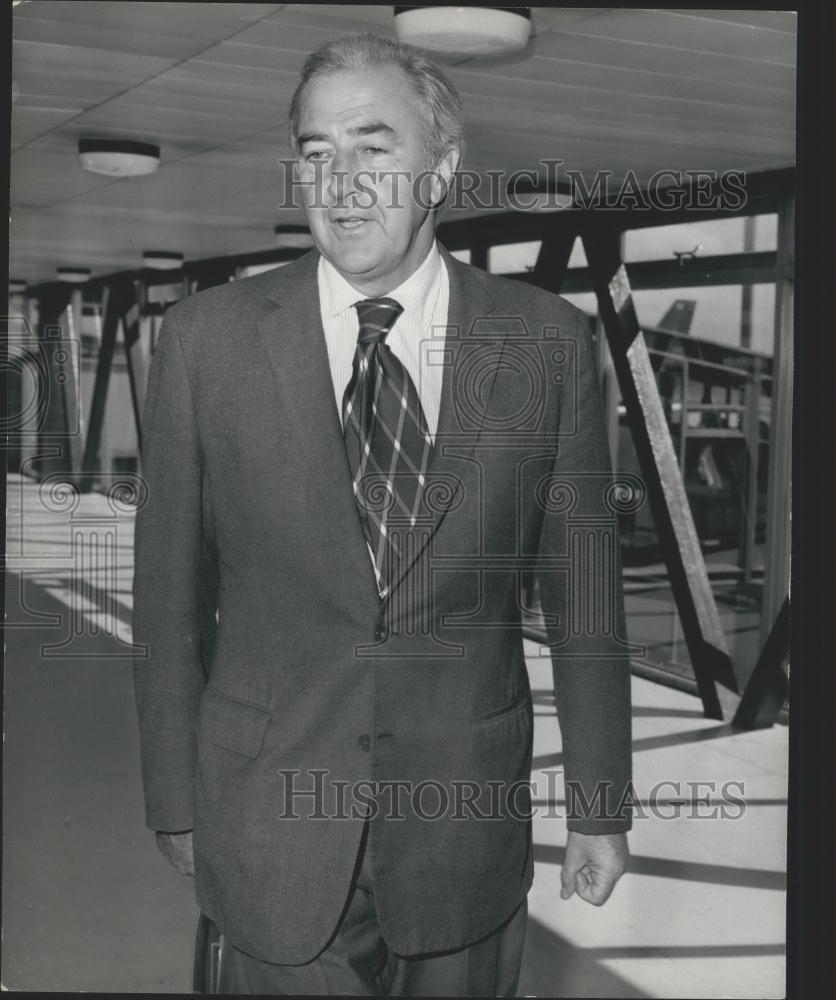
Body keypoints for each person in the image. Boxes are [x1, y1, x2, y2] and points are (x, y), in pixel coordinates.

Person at [133, 32, 632, 997]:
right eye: (317, 153)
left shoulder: (546, 345)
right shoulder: (208, 343)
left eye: (375, 147)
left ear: (441, 170)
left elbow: (587, 607)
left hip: (463, 831)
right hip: (268, 819)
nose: (342, 182)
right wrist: (176, 801)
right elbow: (166, 602)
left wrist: (600, 805)